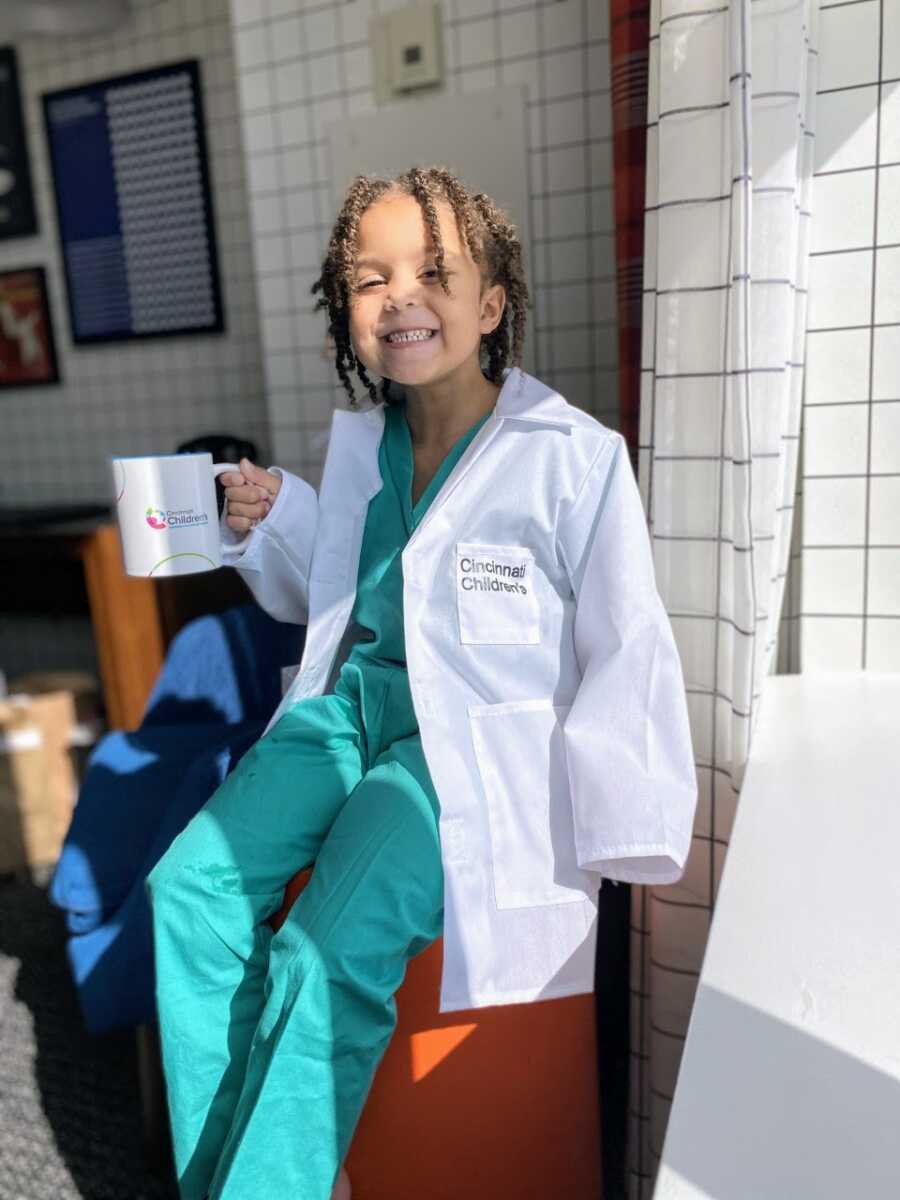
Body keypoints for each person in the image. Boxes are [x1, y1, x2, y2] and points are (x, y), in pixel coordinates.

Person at [146, 165, 697, 1200]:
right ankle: (242, 1174)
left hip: (463, 754)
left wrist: (622, 827)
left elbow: (629, 638)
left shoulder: (572, 458)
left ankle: (274, 1181)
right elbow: (344, 590)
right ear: (345, 312)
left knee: (321, 951)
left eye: (435, 272)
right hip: (352, 709)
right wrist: (276, 515)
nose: (402, 297)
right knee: (188, 890)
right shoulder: (362, 447)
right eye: (371, 277)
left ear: (492, 306)